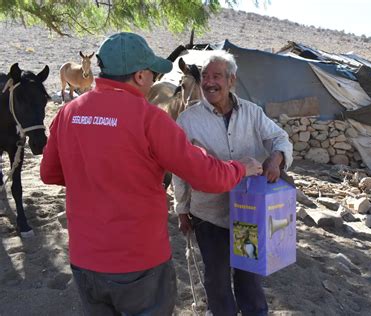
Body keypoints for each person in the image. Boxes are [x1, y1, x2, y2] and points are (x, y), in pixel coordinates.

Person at [40, 32, 263, 316]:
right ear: (141, 75)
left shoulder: (69, 112)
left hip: (85, 261)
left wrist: (95, 176)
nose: (155, 81)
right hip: (139, 263)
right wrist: (240, 167)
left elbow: (49, 173)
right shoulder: (149, 119)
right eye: (154, 75)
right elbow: (208, 177)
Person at [173, 50, 293, 316]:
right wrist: (182, 209)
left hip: (249, 214)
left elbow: (280, 138)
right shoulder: (188, 121)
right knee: (216, 279)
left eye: (217, 76)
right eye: (205, 76)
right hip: (209, 214)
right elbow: (180, 169)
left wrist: (277, 158)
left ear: (231, 81)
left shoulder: (252, 113)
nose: (209, 82)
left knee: (248, 275)